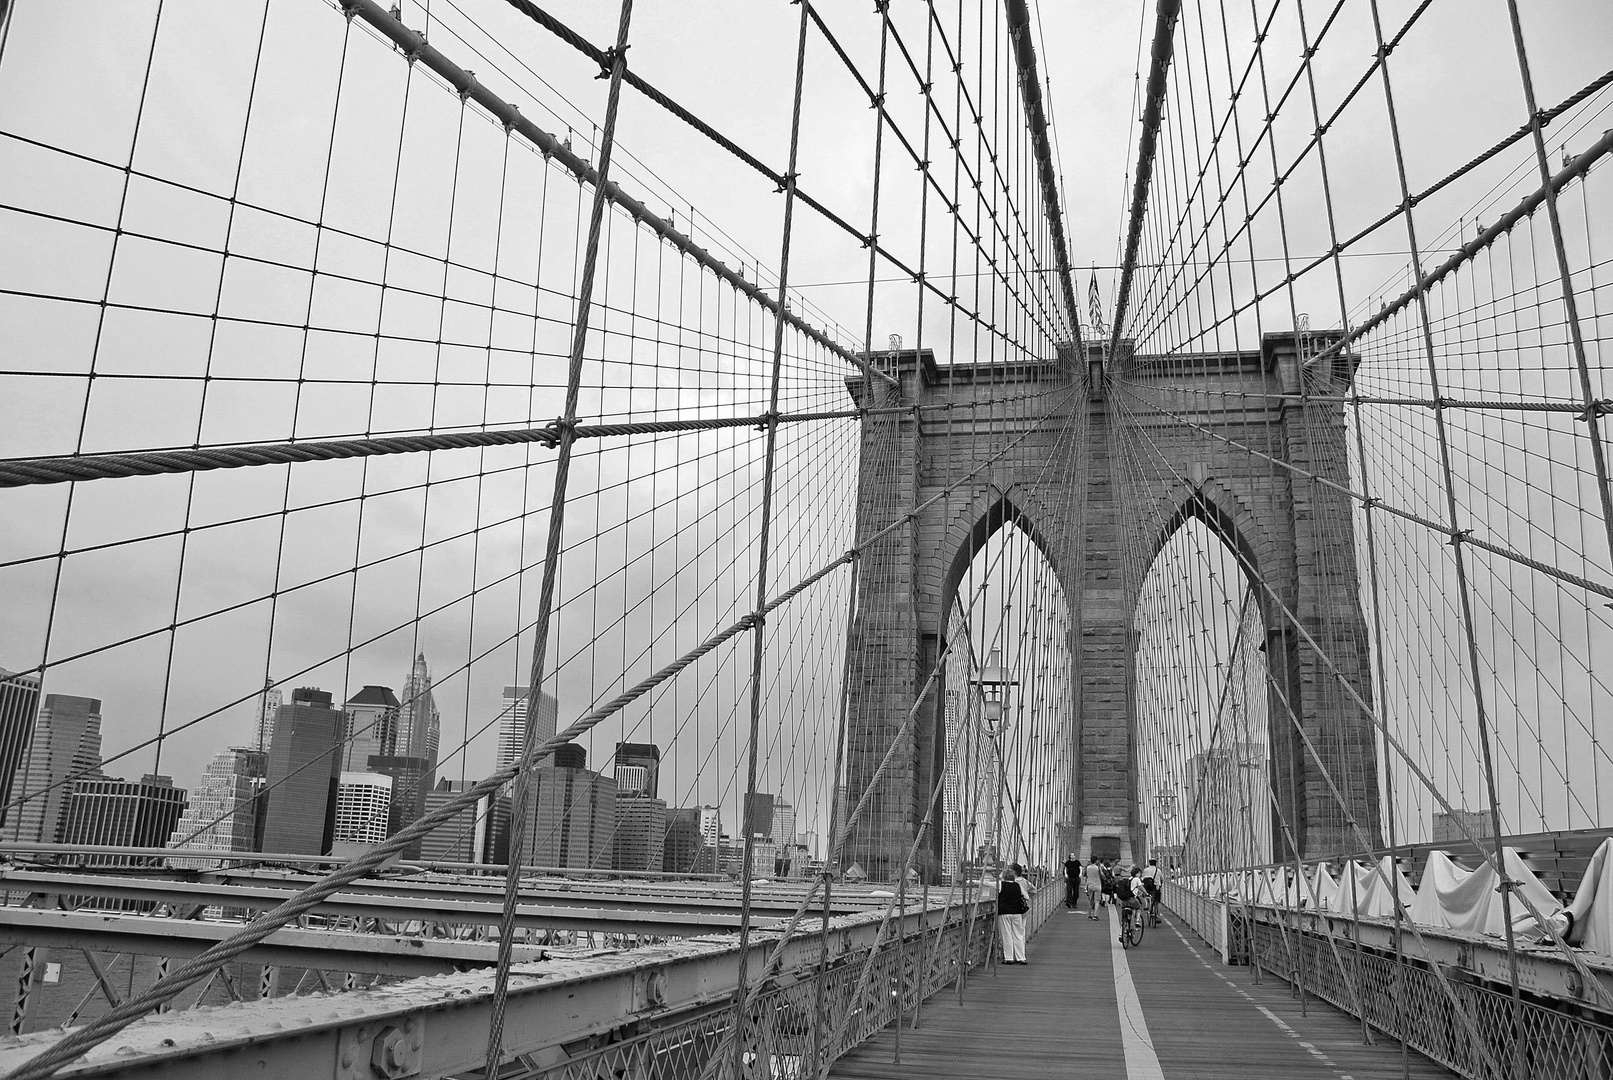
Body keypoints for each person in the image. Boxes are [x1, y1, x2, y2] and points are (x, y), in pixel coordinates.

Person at [994, 863, 1031, 964]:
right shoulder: (1018, 885)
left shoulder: (1001, 884)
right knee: (1018, 935)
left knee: (1007, 935)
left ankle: (1009, 957)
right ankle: (1021, 958)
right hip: (1017, 913)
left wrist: (974, 881)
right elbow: (1027, 897)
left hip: (1004, 913)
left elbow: (989, 884)